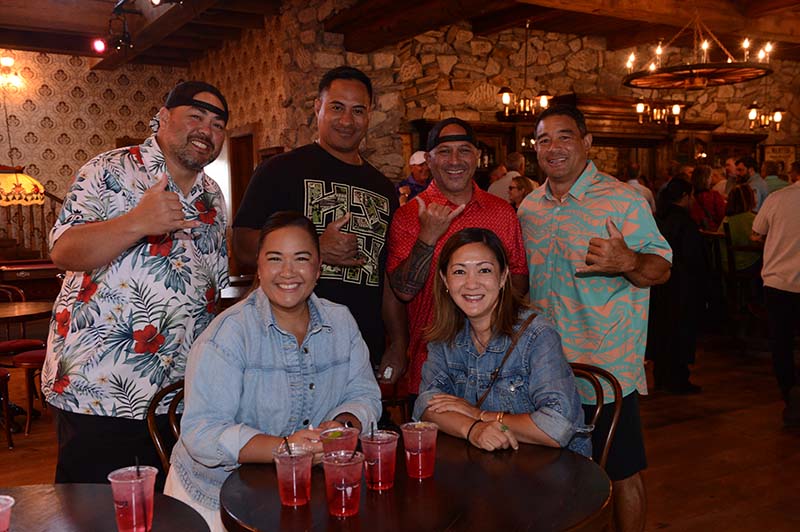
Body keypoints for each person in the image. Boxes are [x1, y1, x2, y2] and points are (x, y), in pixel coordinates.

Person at [41, 81, 231, 490]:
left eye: (217, 125)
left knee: (170, 510)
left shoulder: (213, 196)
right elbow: (64, 250)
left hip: (179, 395)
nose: (206, 130)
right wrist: (137, 222)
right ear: (162, 118)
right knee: (93, 512)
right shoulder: (108, 170)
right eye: (195, 116)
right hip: (100, 391)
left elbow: (211, 288)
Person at [166, 211, 381, 531]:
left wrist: (340, 429)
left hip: (300, 493)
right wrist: (286, 448)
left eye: (301, 258)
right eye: (275, 259)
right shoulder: (229, 334)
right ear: (259, 267)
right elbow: (201, 433)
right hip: (215, 500)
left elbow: (363, 394)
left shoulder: (341, 322)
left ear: (319, 267)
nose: (288, 272)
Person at [517, 104, 672, 532]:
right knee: (554, 470)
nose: (554, 147)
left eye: (565, 136)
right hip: (545, 367)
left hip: (605, 369)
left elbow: (661, 269)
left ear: (587, 143)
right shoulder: (529, 207)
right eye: (544, 139)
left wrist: (629, 260)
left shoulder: (623, 201)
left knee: (621, 471)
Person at [231, 66, 407, 385]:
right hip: (284, 351)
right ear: (318, 107)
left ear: (369, 115)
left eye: (358, 110)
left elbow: (386, 274)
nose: (346, 120)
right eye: (337, 107)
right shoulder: (278, 171)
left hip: (360, 352)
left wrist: (397, 342)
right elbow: (241, 246)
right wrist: (315, 248)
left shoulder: (383, 189)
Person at [414, 228, 591, 456]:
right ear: (444, 280)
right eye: (459, 272)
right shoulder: (446, 336)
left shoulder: (537, 335)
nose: (471, 284)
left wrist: (479, 415)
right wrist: (473, 429)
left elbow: (556, 427)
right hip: (490, 465)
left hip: (554, 468)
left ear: (503, 276)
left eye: (484, 270)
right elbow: (426, 404)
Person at [387, 117, 528, 398]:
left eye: (464, 150)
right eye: (444, 151)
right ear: (429, 159)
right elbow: (402, 291)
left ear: (476, 156)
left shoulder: (502, 213)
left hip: (495, 367)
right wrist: (427, 237)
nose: (455, 160)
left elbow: (519, 279)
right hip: (430, 367)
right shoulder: (408, 215)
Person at [648, 179, 706, 394]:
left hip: (659, 283)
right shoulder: (685, 223)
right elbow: (694, 258)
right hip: (682, 285)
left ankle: (661, 375)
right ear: (685, 196)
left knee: (662, 330)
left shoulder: (659, 219)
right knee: (680, 331)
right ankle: (678, 378)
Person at [751, 177, 800, 427]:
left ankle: (789, 395)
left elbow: (756, 233)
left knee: (781, 343)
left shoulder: (777, 198)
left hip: (778, 282)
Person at [720, 184, 760, 274]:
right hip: (743, 264)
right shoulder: (751, 219)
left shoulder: (726, 219)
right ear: (750, 199)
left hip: (725, 264)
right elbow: (758, 242)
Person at [689, 165, 725, 231]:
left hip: (694, 231)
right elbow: (722, 216)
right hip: (712, 232)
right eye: (711, 176)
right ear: (707, 179)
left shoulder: (689, 196)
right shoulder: (714, 195)